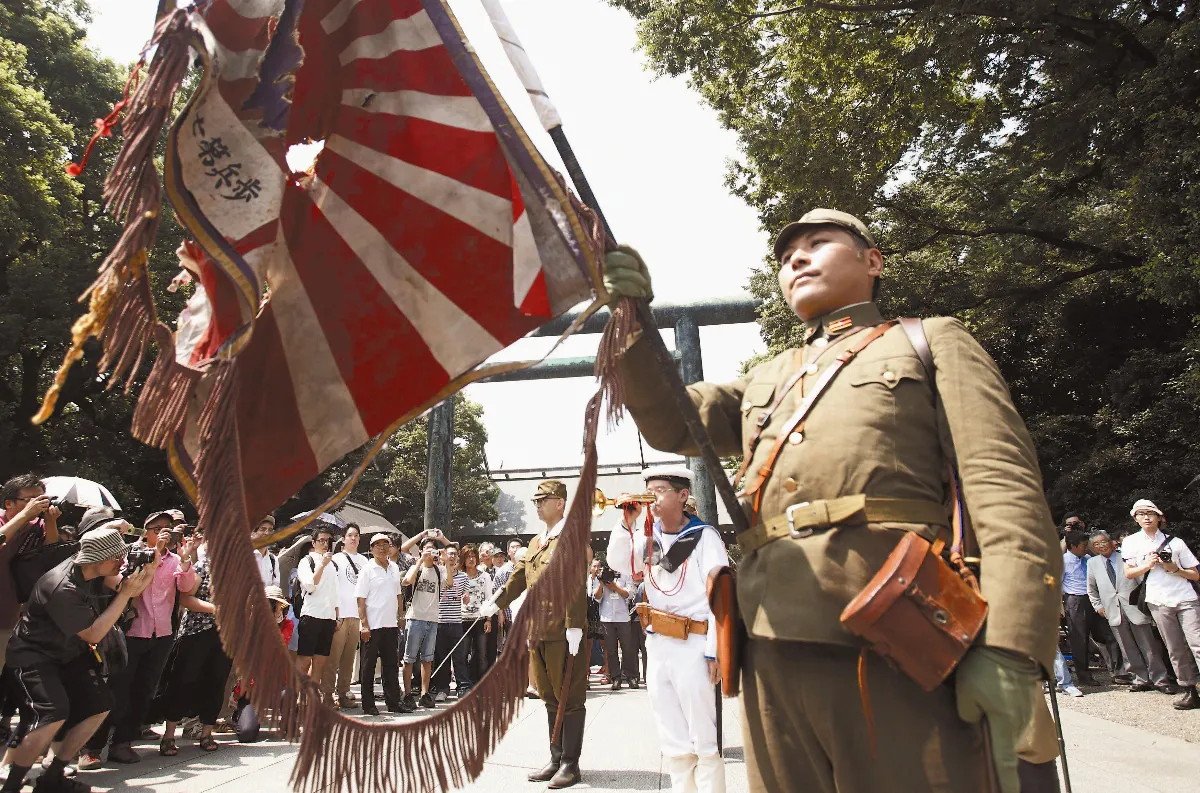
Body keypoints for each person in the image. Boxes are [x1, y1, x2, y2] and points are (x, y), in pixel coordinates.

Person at [602, 209, 1063, 793]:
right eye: (786, 255)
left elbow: (1004, 490)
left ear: (873, 261)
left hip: (899, 634)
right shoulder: (767, 380)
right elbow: (671, 420)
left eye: (819, 243)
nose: (797, 258)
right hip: (768, 647)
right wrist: (632, 323)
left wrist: (1013, 649)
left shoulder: (929, 340)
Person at [2, 526, 155, 793]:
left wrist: (146, 574)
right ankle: (12, 786)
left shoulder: (92, 569)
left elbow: (121, 585)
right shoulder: (62, 586)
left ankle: (53, 777)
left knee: (100, 704)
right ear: (101, 559)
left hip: (68, 653)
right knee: (52, 712)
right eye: (118, 557)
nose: (122, 561)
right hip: (34, 655)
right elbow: (94, 633)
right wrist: (125, 595)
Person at [608, 466, 728, 793]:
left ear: (682, 495)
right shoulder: (649, 536)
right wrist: (625, 522)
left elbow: (721, 598)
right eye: (650, 490)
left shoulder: (704, 537)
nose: (653, 497)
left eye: (660, 490)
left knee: (703, 738)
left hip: (695, 641)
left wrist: (715, 650)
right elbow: (619, 562)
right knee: (672, 737)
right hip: (658, 643)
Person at [482, 480, 588, 789]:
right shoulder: (535, 542)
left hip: (561, 631)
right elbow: (516, 580)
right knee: (549, 697)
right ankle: (555, 759)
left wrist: (574, 627)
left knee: (569, 697)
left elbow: (576, 585)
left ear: (560, 503)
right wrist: (493, 604)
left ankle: (571, 764)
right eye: (536, 500)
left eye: (544, 499)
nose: (538, 504)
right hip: (537, 630)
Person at [82, 511, 197, 767]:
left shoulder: (176, 559)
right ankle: (92, 746)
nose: (164, 532)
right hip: (131, 632)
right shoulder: (129, 554)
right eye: (157, 528)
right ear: (145, 531)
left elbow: (188, 588)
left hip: (162, 633)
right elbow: (126, 584)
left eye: (169, 528)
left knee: (144, 691)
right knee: (115, 691)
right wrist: (154, 553)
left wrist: (187, 559)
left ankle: (123, 743)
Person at [158, 534, 233, 755]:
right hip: (197, 631)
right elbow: (186, 598)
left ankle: (206, 732)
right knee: (183, 680)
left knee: (217, 682)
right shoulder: (203, 566)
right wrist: (215, 609)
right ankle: (169, 735)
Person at [1122, 499, 1200, 709]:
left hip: (1185, 597)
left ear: (1159, 517)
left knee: (1197, 643)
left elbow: (1194, 574)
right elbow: (1129, 573)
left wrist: (1174, 568)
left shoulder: (1175, 542)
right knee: (1175, 648)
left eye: (1150, 513)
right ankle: (1189, 690)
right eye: (1141, 514)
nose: (1146, 517)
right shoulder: (1130, 542)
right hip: (1158, 600)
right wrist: (1147, 565)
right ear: (1135, 518)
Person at [1086, 531, 1171, 693]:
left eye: (1103, 541)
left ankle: (1160, 679)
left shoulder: (1125, 557)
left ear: (1111, 542)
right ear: (1093, 548)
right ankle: (1139, 679)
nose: (1101, 545)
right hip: (1112, 611)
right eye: (1096, 544)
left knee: (1149, 646)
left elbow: (1140, 581)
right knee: (1127, 648)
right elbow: (1091, 590)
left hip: (1134, 608)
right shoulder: (1093, 563)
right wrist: (1098, 607)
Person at [356, 534, 407, 715]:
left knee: (391, 665)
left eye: (386, 544)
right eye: (377, 545)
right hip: (373, 624)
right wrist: (364, 625)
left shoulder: (393, 567)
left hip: (390, 624)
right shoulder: (367, 570)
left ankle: (393, 702)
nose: (382, 548)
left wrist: (401, 616)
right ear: (371, 549)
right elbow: (360, 599)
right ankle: (368, 704)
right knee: (368, 666)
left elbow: (398, 595)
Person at [1062, 529, 1121, 685]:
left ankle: (1118, 671)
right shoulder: (1063, 561)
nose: (1086, 548)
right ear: (1072, 546)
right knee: (1080, 639)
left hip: (1094, 599)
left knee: (1108, 634)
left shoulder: (1088, 559)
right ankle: (1084, 676)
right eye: (1083, 545)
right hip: (1075, 600)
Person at [323, 524, 366, 709]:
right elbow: (331, 587)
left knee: (349, 659)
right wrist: (335, 614)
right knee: (333, 658)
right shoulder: (336, 559)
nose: (353, 538)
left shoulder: (365, 561)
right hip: (340, 615)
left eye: (356, 535)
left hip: (357, 616)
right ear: (343, 539)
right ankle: (327, 694)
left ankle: (344, 693)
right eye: (350, 535)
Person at [295, 525, 341, 693]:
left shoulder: (333, 564)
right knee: (304, 660)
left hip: (328, 618)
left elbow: (335, 593)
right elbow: (310, 585)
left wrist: (337, 617)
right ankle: (297, 698)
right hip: (311, 615)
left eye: (328, 540)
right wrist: (322, 564)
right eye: (321, 540)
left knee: (320, 662)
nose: (325, 544)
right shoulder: (307, 561)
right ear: (313, 543)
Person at [402, 538, 443, 710]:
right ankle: (407, 693)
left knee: (428, 659)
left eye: (433, 549)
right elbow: (407, 581)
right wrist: (420, 560)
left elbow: (448, 583)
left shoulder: (439, 570)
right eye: (426, 549)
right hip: (415, 617)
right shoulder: (415, 567)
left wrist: (445, 560)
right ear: (420, 551)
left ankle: (425, 694)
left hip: (433, 618)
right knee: (409, 658)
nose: (430, 552)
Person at [594, 560, 638, 691]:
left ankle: (632, 677)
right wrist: (602, 583)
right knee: (611, 650)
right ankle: (616, 678)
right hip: (607, 617)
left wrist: (614, 586)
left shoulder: (625, 574)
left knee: (628, 648)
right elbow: (596, 597)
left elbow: (629, 594)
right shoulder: (601, 574)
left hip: (623, 616)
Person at [431, 545, 468, 701]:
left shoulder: (464, 577)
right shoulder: (438, 573)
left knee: (459, 657)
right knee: (442, 657)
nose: (451, 557)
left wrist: (466, 597)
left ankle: (463, 687)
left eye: (454, 554)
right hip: (439, 621)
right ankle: (442, 689)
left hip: (456, 621)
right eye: (448, 554)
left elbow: (465, 593)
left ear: (458, 557)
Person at [458, 545, 493, 696]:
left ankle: (482, 683)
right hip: (462, 619)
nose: (471, 559)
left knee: (482, 653)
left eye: (473, 556)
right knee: (463, 653)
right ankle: (465, 685)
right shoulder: (458, 575)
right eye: (468, 557)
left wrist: (489, 619)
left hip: (480, 619)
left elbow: (489, 598)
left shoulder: (485, 576)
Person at [252, 516, 279, 587]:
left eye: (270, 530)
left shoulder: (273, 560)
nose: (267, 533)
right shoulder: (245, 556)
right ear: (253, 533)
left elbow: (276, 585)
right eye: (262, 529)